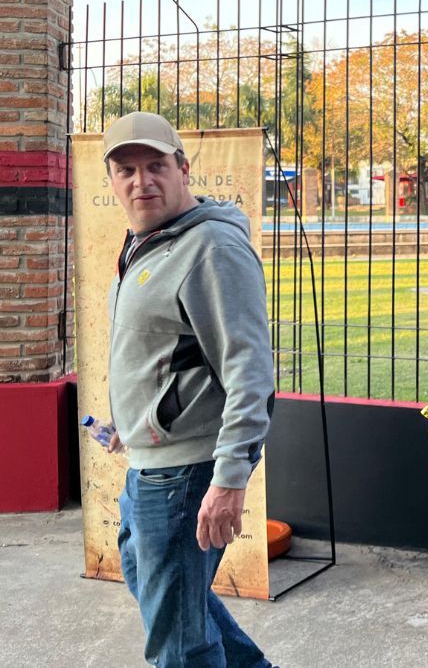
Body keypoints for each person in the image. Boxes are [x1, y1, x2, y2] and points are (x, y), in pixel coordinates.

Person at [100, 111, 274, 667]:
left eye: (155, 166)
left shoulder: (211, 248)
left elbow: (250, 369)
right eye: (126, 169)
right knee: (174, 603)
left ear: (183, 168)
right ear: (111, 179)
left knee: (177, 642)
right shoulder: (143, 243)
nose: (140, 181)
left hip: (185, 475)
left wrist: (229, 481)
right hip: (150, 462)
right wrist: (132, 423)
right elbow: (157, 352)